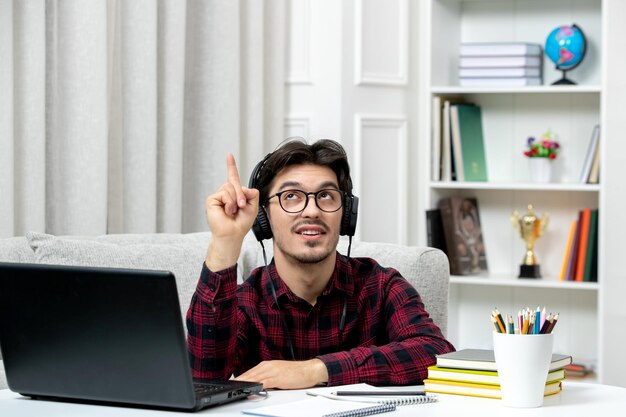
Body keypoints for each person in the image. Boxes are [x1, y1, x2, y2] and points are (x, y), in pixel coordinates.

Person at [187, 138, 454, 390]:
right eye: (291, 196)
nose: (312, 211)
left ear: (346, 214)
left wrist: (316, 370)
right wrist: (225, 242)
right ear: (263, 217)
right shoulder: (247, 301)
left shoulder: (381, 286)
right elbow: (203, 379)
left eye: (326, 196)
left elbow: (435, 352)